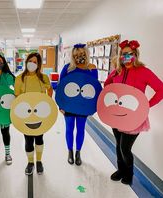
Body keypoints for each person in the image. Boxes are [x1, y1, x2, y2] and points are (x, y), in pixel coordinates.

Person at [104, 40, 163, 185]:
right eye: (124, 54)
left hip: (134, 117)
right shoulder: (118, 70)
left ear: (135, 55)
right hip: (117, 116)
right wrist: (112, 77)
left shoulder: (144, 72)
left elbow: (161, 89)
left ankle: (129, 174)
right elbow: (107, 85)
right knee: (118, 144)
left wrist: (147, 105)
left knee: (125, 148)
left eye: (130, 54)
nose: (127, 57)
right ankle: (121, 170)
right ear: (120, 56)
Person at [59, 43, 98, 166]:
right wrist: (61, 106)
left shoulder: (92, 68)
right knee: (69, 128)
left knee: (80, 129)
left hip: (83, 107)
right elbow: (61, 87)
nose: (79, 57)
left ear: (86, 54)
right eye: (76, 55)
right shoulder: (68, 68)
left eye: (81, 54)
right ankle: (70, 152)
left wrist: (92, 107)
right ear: (72, 56)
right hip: (69, 106)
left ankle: (78, 152)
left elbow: (94, 89)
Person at [14, 52, 53, 175]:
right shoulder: (20, 78)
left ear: (39, 64)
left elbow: (50, 89)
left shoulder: (43, 78)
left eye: (35, 62)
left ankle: (39, 161)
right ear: (26, 62)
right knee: (28, 139)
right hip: (25, 115)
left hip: (40, 115)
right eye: (30, 61)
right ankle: (30, 162)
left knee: (39, 138)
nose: (32, 64)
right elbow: (16, 96)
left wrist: (49, 102)